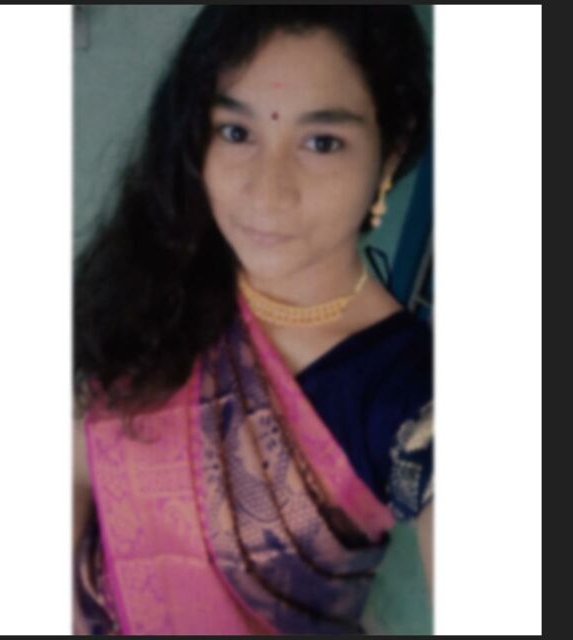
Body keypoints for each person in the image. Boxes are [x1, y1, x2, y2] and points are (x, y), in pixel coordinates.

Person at [74, 5, 432, 635]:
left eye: (322, 142)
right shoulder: (160, 275)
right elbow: (80, 459)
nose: (266, 192)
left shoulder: (407, 390)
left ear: (389, 153)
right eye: (236, 132)